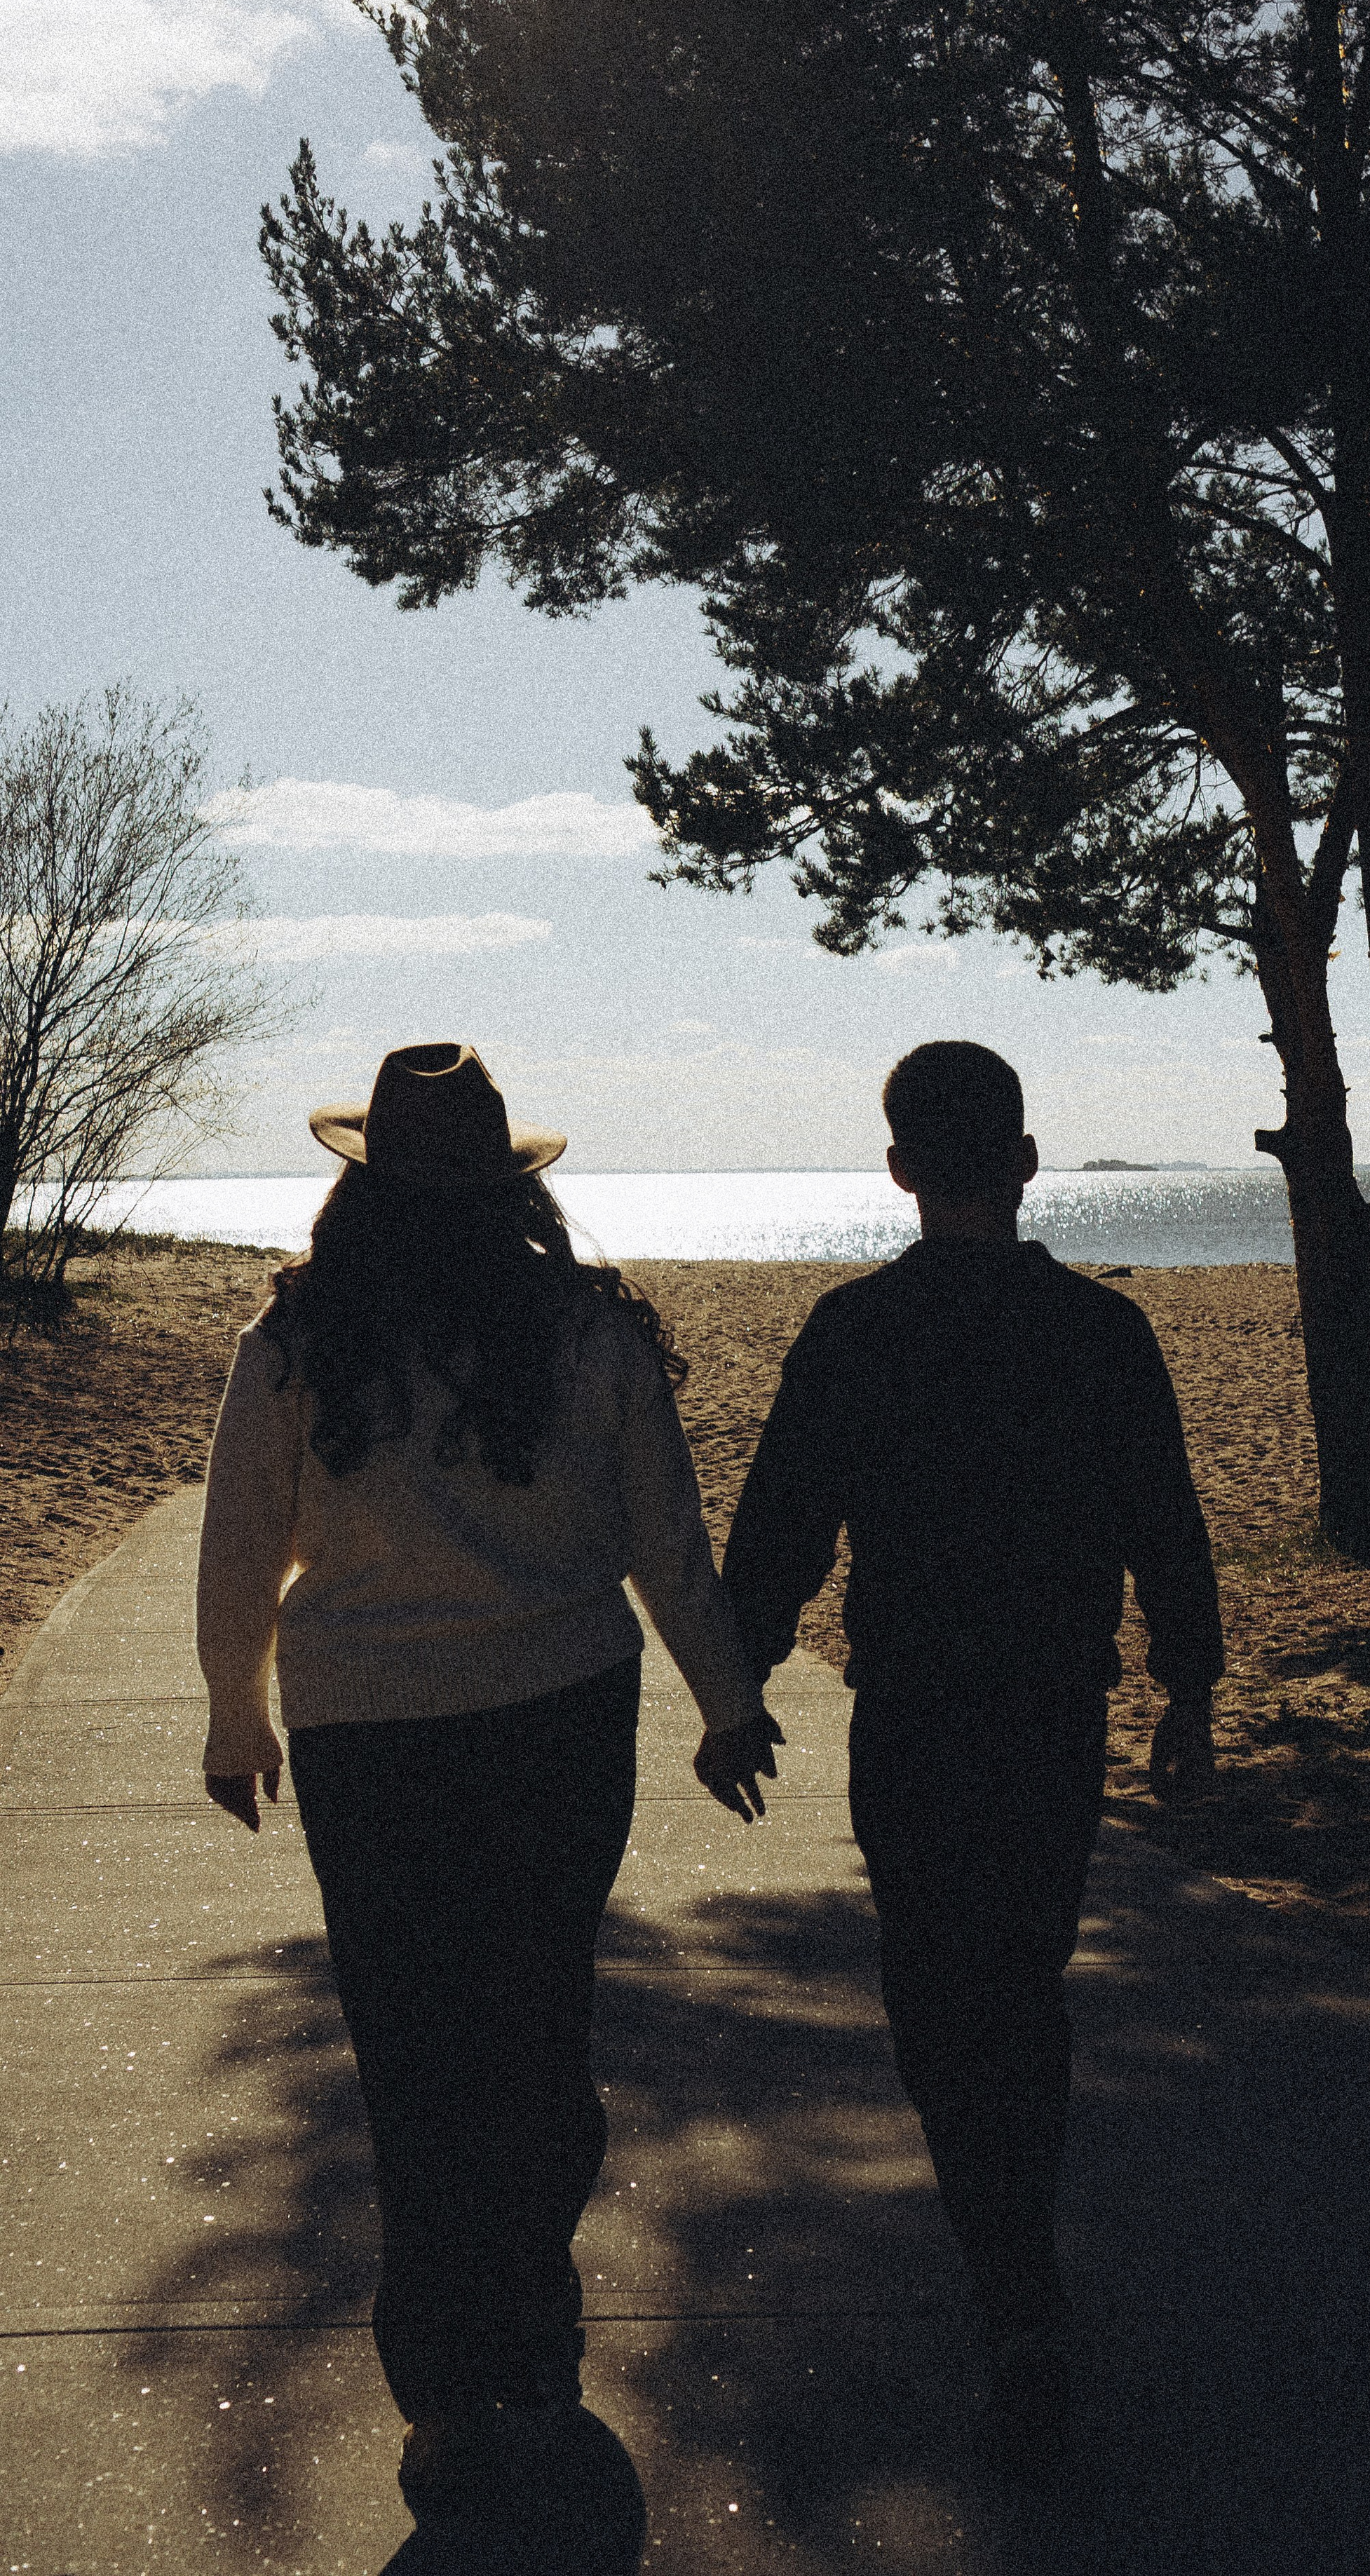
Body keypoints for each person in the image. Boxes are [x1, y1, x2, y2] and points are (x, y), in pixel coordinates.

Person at [196, 1043, 776, 2558]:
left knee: (411, 2060)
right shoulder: (586, 1329)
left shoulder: (299, 1334)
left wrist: (233, 1713)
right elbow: (668, 1540)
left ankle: (450, 2394)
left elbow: (241, 1540)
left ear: (363, 1179)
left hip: (370, 1739)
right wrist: (727, 1701)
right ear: (512, 1184)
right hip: (554, 1723)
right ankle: (527, 2332)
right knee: (537, 2035)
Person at [708, 1040, 1223, 2474]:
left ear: (899, 1172)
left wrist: (732, 1693)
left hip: (918, 1719)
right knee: (1022, 1986)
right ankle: (1023, 2280)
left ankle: (1010, 2290)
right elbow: (1162, 1525)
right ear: (1024, 1162)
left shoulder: (852, 1331)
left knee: (939, 2004)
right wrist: (1187, 1694)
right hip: (1050, 1716)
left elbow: (780, 1535)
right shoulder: (1101, 1335)